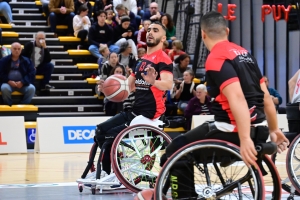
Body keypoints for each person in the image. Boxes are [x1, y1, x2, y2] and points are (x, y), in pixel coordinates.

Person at [159, 11, 289, 199]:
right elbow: (266, 97)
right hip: (255, 128)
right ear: (227, 31)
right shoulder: (245, 54)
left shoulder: (216, 58)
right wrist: (274, 129)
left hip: (229, 129)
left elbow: (236, 97)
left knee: (174, 150)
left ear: (203, 34)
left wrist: (244, 138)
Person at [87, 21, 173, 185]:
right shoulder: (141, 60)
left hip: (151, 115)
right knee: (100, 131)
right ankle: (106, 172)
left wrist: (153, 81)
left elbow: (168, 84)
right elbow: (127, 86)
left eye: (155, 30)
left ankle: (114, 175)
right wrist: (106, 87)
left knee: (110, 137)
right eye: (148, 30)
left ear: (163, 38)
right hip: (135, 111)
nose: (150, 33)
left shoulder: (163, 59)